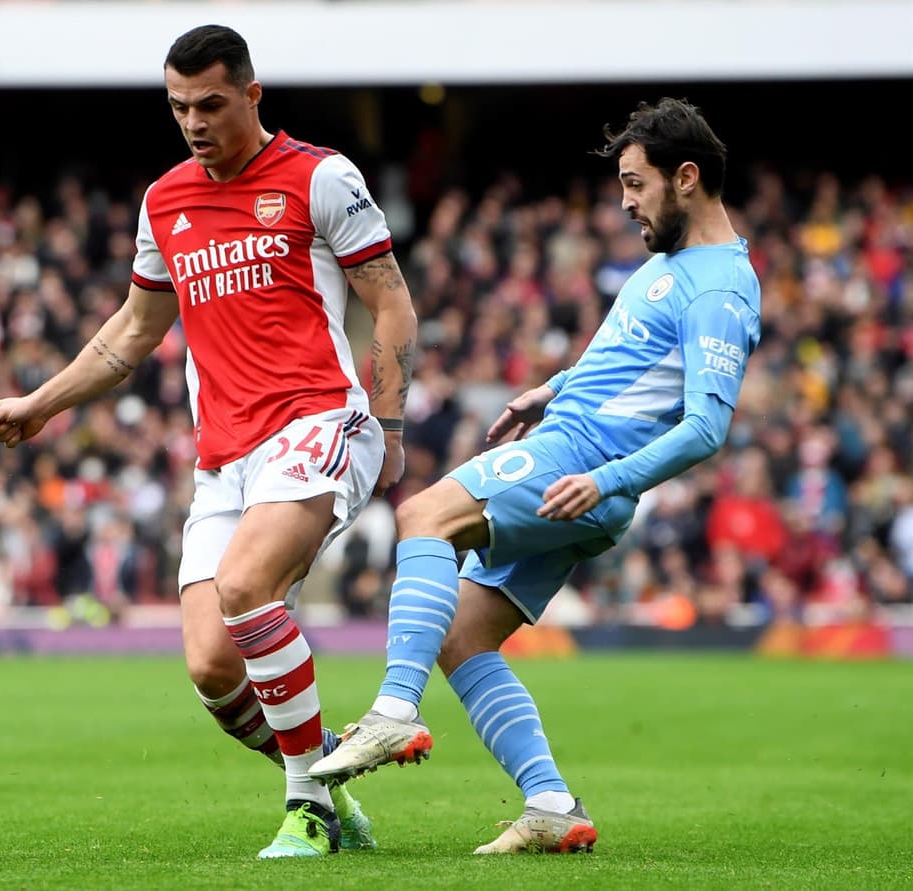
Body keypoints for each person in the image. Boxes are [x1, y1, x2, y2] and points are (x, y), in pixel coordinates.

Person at [0, 24, 417, 858]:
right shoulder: (164, 201)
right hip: (225, 455)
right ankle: (326, 779)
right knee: (214, 665)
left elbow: (392, 305)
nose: (194, 122)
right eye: (178, 107)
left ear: (253, 94)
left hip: (318, 420)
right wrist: (41, 403)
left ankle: (308, 809)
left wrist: (388, 424)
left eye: (211, 104)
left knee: (249, 585)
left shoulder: (321, 178)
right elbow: (131, 334)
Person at [309, 97, 762, 854]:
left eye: (635, 184)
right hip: (571, 449)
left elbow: (706, 426)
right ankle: (550, 801)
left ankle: (393, 709)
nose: (624, 202)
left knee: (425, 515)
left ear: (687, 178)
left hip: (581, 463)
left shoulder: (717, 287)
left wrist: (611, 478)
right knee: (459, 637)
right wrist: (553, 386)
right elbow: (634, 356)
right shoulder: (678, 266)